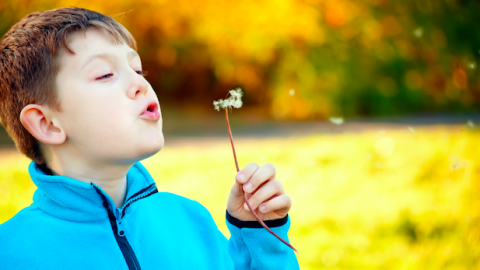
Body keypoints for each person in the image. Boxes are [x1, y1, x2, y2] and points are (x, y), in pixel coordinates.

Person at [0, 7, 299, 269]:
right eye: (105, 74)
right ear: (47, 123)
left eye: (139, 69)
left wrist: (261, 233)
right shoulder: (11, 253)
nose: (139, 84)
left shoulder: (190, 222)